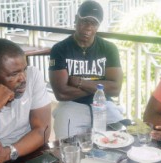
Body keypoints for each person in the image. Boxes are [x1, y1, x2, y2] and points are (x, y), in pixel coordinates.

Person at [49, 0, 124, 139]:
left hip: (104, 104)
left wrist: (80, 83)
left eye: (94, 23)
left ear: (98, 26)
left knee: (121, 137)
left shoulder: (109, 49)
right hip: (72, 105)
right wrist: (101, 88)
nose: (88, 27)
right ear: (76, 20)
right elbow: (61, 93)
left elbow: (115, 89)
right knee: (66, 144)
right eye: (84, 21)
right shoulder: (60, 49)